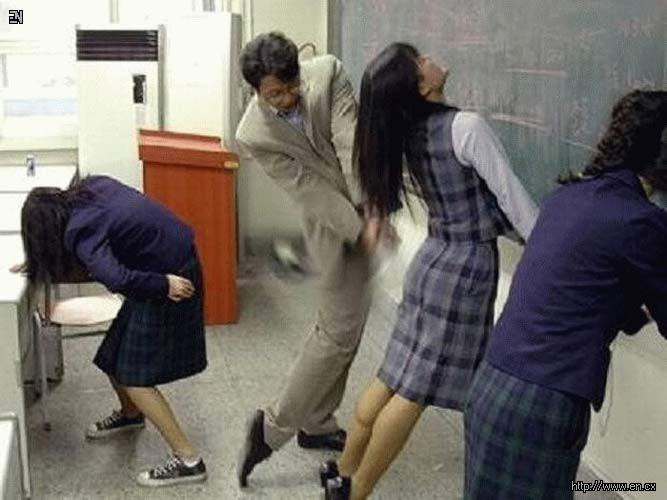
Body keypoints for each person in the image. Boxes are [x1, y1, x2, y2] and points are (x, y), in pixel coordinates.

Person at [322, 43, 538, 500]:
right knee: (414, 392)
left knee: (392, 375)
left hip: (432, 261)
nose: (429, 59)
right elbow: (513, 199)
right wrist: (547, 249)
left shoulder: (405, 133)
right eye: (419, 60)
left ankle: (342, 473)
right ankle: (356, 493)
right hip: (465, 270)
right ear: (421, 86)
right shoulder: (465, 127)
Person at [464, 90, 667, 499]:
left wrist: (638, 312)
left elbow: (588, 291)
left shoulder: (568, 197)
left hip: (492, 385)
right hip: (541, 405)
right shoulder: (640, 221)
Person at [234, 32, 381, 487]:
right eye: (274, 94)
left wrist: (370, 207)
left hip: (365, 210)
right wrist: (359, 228)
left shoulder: (329, 73)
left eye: (291, 85)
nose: (287, 98)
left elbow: (350, 144)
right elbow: (307, 188)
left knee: (346, 329)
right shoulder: (253, 133)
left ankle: (316, 422)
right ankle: (272, 427)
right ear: (255, 90)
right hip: (330, 225)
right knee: (337, 333)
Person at [19, 175, 208, 487]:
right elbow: (99, 263)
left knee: (135, 378)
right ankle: (130, 415)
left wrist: (163, 285)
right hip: (163, 261)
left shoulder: (81, 233)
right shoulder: (92, 188)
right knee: (112, 356)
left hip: (171, 277)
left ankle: (189, 460)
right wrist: (42, 263)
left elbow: (116, 278)